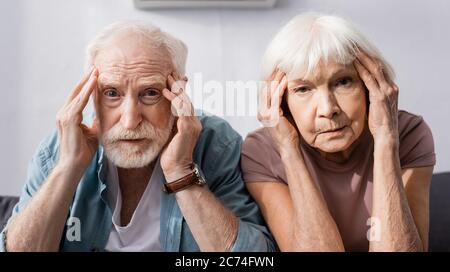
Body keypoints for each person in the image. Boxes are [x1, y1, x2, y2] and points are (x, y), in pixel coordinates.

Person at [1, 21, 275, 252]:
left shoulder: (215, 143)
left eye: (150, 93)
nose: (130, 121)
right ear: (90, 93)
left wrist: (181, 173)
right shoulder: (61, 146)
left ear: (178, 91)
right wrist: (68, 168)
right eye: (111, 93)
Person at [241, 13, 436, 251]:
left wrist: (385, 138)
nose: (328, 109)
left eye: (343, 82)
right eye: (303, 89)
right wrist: (289, 151)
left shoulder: (408, 134)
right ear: (281, 102)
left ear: (370, 86)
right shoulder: (262, 151)